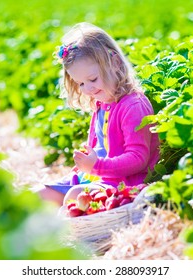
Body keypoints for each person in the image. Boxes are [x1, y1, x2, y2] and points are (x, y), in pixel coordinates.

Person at [38, 22, 160, 206]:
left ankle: (63, 229)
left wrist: (96, 166)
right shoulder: (101, 105)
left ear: (115, 63)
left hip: (123, 184)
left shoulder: (133, 106)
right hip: (94, 179)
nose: (87, 89)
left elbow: (138, 158)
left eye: (92, 79)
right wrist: (85, 167)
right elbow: (99, 149)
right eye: (80, 83)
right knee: (36, 196)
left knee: (75, 196)